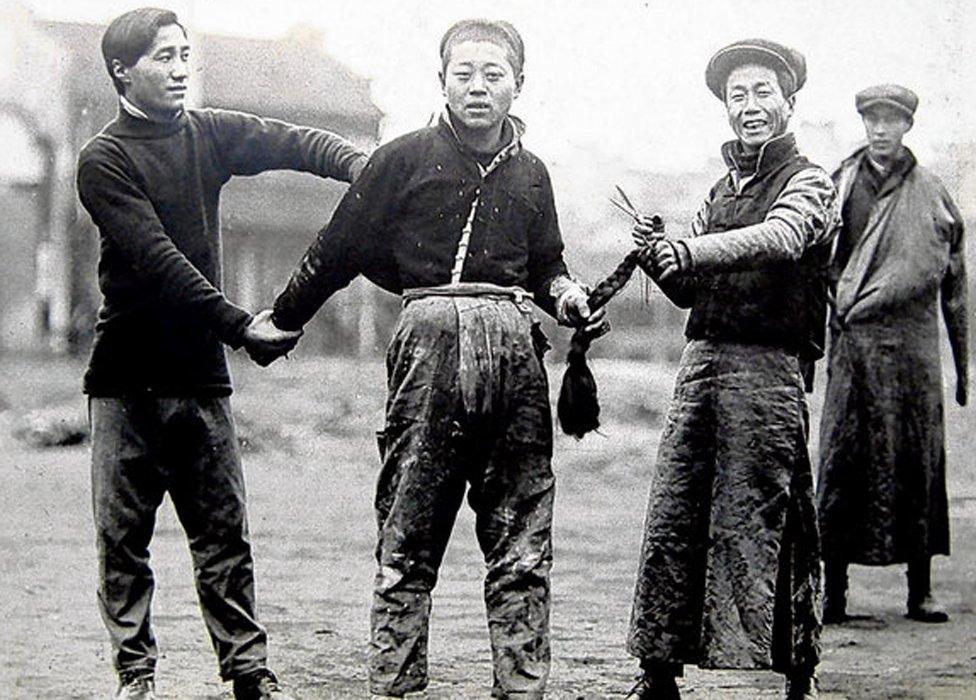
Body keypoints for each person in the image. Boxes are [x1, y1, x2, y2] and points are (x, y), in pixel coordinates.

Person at [268, 18, 599, 699]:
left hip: (515, 356)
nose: (478, 87)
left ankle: (522, 685)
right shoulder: (404, 158)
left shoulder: (533, 173)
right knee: (409, 527)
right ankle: (394, 684)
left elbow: (546, 263)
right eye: (464, 73)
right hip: (428, 346)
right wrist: (282, 316)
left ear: (518, 84)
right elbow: (339, 245)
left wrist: (564, 295)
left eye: (494, 74)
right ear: (441, 79)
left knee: (521, 537)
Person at [76, 8, 368, 699]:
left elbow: (295, 141)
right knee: (123, 542)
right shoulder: (104, 160)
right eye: (161, 58)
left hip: (199, 378)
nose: (179, 70)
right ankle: (137, 677)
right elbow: (156, 259)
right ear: (122, 70)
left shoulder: (209, 133)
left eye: (184, 56)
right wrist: (241, 327)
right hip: (124, 381)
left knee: (223, 537)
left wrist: (367, 169)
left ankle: (247, 671)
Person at [625, 39, 837, 700]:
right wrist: (661, 259)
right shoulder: (717, 192)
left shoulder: (810, 180)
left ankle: (797, 675)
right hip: (701, 368)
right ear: (726, 108)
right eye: (737, 96)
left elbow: (780, 237)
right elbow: (692, 291)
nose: (750, 107)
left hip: (768, 372)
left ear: (789, 101)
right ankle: (658, 673)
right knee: (675, 516)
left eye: (762, 93)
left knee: (771, 517)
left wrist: (688, 248)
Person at [817, 85, 968, 625]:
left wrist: (963, 366)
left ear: (907, 127)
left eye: (892, 121)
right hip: (852, 346)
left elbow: (954, 281)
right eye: (872, 120)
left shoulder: (932, 193)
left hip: (912, 350)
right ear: (863, 124)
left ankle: (920, 590)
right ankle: (832, 593)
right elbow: (815, 265)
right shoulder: (837, 186)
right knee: (841, 463)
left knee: (917, 462)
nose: (881, 130)